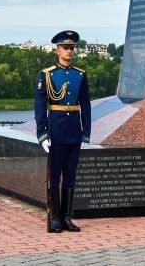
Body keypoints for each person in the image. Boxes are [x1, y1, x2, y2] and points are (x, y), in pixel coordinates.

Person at [35, 30, 91, 232]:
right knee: (54, 176)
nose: (69, 51)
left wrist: (86, 133)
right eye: (65, 47)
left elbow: (85, 105)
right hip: (56, 133)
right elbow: (40, 107)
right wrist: (42, 134)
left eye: (72, 47)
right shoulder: (47, 75)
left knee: (70, 176)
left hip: (74, 132)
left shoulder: (80, 75)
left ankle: (67, 217)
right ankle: (55, 218)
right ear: (57, 50)